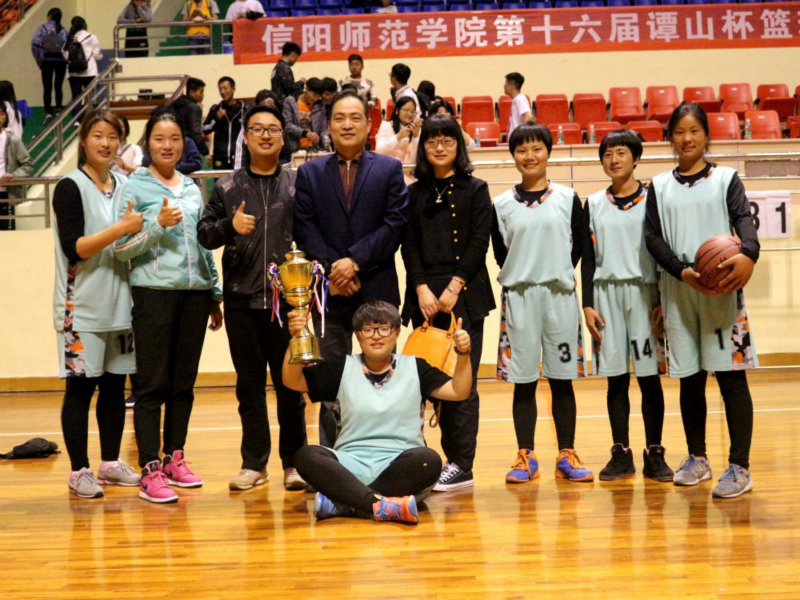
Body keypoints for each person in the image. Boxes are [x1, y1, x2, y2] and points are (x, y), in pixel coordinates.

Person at [645, 103, 759, 499]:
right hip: (680, 288)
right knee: (690, 379)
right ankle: (697, 457)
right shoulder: (659, 185)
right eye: (679, 131)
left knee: (731, 378)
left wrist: (749, 253)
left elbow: (744, 220)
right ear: (670, 138)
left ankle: (740, 466)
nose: (687, 138)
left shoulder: (726, 178)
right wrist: (682, 272)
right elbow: (653, 238)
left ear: (706, 135)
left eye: (694, 130)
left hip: (721, 287)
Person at [114, 109, 223, 504]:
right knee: (151, 384)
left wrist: (214, 292)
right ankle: (149, 469)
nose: (168, 145)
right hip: (153, 293)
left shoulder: (192, 187)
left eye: (175, 138)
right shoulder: (134, 186)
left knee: (183, 384)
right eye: (159, 138)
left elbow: (202, 243)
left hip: (195, 295)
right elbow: (120, 248)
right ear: (148, 143)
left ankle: (175, 457)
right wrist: (157, 225)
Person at [198, 104, 310, 492]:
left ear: (283, 138)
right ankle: (253, 464)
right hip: (241, 302)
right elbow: (204, 234)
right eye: (257, 129)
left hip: (287, 305)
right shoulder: (227, 187)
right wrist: (230, 226)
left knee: (291, 387)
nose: (265, 135)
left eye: (273, 129)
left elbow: (312, 236)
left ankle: (295, 463)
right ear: (245, 137)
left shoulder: (297, 184)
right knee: (249, 387)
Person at [294, 90, 409, 448]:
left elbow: (395, 225)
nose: (347, 124)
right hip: (329, 296)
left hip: (377, 290)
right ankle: (332, 460)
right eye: (339, 118)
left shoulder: (389, 169)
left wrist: (354, 261)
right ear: (328, 125)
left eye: (355, 117)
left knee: (383, 381)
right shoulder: (309, 173)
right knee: (331, 381)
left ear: (368, 124)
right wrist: (334, 270)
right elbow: (304, 228)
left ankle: (386, 451)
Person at [288, 301, 473, 523]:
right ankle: (381, 505)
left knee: (429, 460)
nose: (376, 336)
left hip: (399, 465)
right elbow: (293, 380)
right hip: (350, 464)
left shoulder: (416, 367)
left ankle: (346, 502)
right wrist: (295, 339)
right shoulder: (342, 367)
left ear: (396, 332)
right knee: (306, 456)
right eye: (367, 330)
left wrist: (463, 353)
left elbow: (458, 391)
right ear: (358, 335)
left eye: (384, 328)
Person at [491, 124, 593, 484]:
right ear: (513, 156)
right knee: (524, 381)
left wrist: (556, 269)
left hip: (559, 295)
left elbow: (579, 245)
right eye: (521, 150)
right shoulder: (501, 204)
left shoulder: (568, 197)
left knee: (562, 380)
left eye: (536, 148)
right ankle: (526, 455)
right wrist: (527, 271)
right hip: (519, 297)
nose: (529, 156)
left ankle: (567, 452)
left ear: (548, 152)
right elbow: (500, 254)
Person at [51, 109, 143, 499]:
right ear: (84, 141)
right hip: (81, 309)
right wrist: (121, 229)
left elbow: (132, 240)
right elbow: (76, 249)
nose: (106, 143)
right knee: (80, 389)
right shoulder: (69, 187)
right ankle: (79, 471)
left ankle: (109, 463)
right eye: (98, 135)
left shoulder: (125, 184)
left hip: (120, 307)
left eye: (113, 136)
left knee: (114, 388)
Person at [400, 115, 494, 492]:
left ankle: (461, 464)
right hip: (425, 298)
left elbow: (479, 242)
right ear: (422, 147)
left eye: (447, 141)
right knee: (424, 381)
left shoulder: (476, 189)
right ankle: (422, 459)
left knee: (461, 382)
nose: (439, 147)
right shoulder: (414, 193)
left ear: (459, 145)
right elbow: (408, 245)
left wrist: (456, 285)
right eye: (432, 141)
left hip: (465, 296)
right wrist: (421, 288)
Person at [581, 130, 673, 482]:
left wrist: (663, 298)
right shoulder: (593, 203)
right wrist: (587, 304)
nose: (614, 159)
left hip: (644, 294)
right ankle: (621, 453)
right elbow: (588, 258)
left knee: (649, 378)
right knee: (616, 379)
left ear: (636, 158)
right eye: (607, 154)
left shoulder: (654, 199)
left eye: (621, 152)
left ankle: (655, 452)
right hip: (606, 295)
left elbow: (664, 250)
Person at [202, 76, 248, 170]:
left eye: (225, 88)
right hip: (220, 157)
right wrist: (216, 118)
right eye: (220, 89)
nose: (222, 92)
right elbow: (205, 129)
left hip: (239, 157)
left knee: (238, 179)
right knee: (220, 180)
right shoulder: (215, 109)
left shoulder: (244, 109)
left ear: (233, 89)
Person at [31, 7, 68, 121]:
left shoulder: (42, 28)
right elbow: (68, 47)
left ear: (49, 16)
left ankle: (48, 112)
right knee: (58, 86)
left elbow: (34, 43)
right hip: (60, 61)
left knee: (47, 87)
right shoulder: (64, 30)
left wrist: (39, 60)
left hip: (47, 61)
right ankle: (59, 109)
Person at [0, 104, 33, 231]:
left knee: (7, 234)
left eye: (1, 113)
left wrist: (13, 175)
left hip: (5, 194)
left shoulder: (13, 141)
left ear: (4, 116)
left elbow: (27, 164)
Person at [233, 89, 284, 169]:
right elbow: (240, 156)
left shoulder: (280, 126)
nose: (266, 136)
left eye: (271, 104)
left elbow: (287, 156)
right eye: (258, 130)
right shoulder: (248, 127)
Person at [375, 96, 421, 184]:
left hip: (405, 174)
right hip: (386, 171)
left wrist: (415, 137)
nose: (410, 114)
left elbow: (413, 162)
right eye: (407, 110)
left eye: (412, 111)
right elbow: (379, 151)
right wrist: (398, 137)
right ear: (397, 111)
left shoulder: (415, 130)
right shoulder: (386, 126)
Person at [64, 17, 102, 121]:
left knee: (76, 97)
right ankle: (89, 119)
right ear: (84, 25)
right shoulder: (91, 36)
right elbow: (97, 55)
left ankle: (77, 120)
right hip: (89, 71)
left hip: (73, 72)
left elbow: (65, 54)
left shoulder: (70, 37)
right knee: (90, 97)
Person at [283, 78, 329, 154]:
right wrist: (305, 133)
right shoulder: (291, 101)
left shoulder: (320, 106)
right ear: (306, 88)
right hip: (294, 148)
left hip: (313, 149)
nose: (315, 98)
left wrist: (326, 141)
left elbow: (323, 129)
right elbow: (287, 125)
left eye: (318, 97)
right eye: (314, 95)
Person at [169, 77, 208, 158]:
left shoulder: (175, 105)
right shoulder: (194, 108)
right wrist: (205, 151)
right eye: (201, 92)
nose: (203, 95)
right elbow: (195, 133)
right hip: (189, 149)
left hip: (174, 146)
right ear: (191, 92)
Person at [504, 72, 532, 137]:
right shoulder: (516, 99)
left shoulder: (520, 98)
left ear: (511, 86)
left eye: (506, 83)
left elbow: (528, 116)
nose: (504, 86)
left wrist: (523, 136)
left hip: (519, 139)